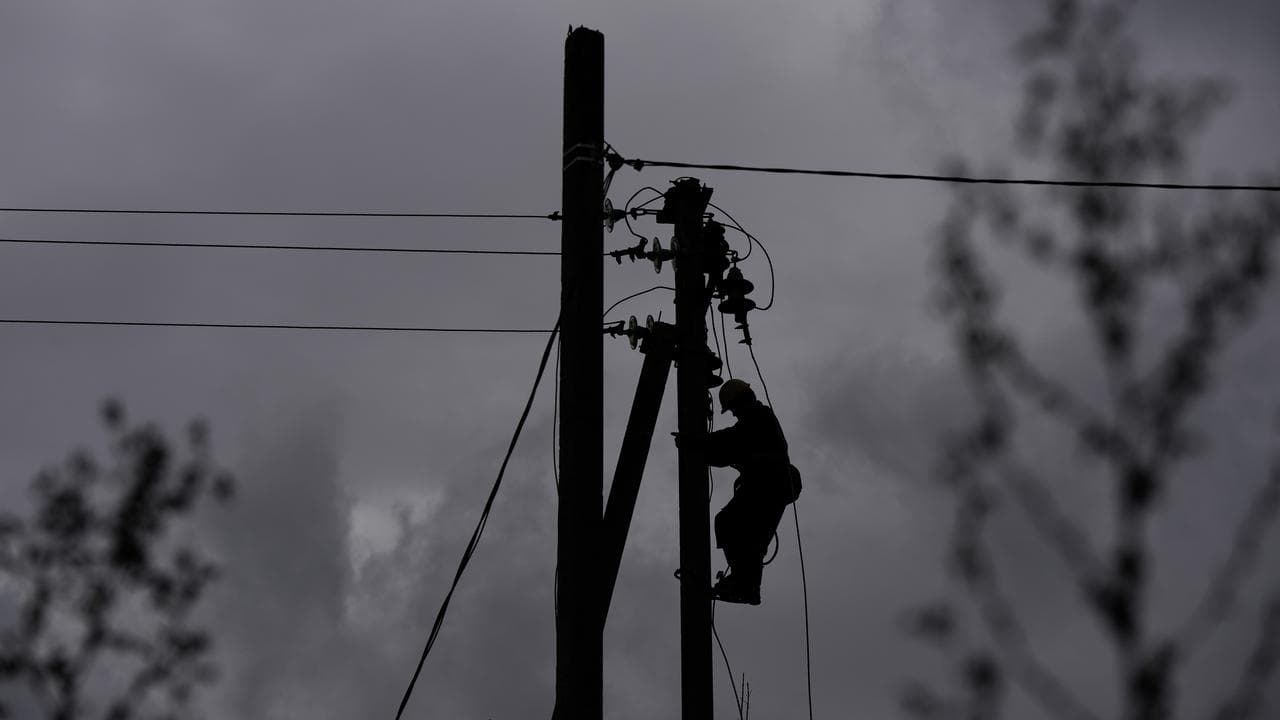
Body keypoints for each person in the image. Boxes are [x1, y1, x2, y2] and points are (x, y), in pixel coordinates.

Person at [705, 379, 791, 605]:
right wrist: (703, 449)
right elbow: (730, 450)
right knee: (752, 537)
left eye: (733, 408)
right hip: (773, 487)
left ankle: (744, 584)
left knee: (729, 523)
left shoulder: (757, 419)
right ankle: (746, 584)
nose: (733, 414)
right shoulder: (757, 420)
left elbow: (733, 441)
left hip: (769, 486)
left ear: (740, 402)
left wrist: (700, 443)